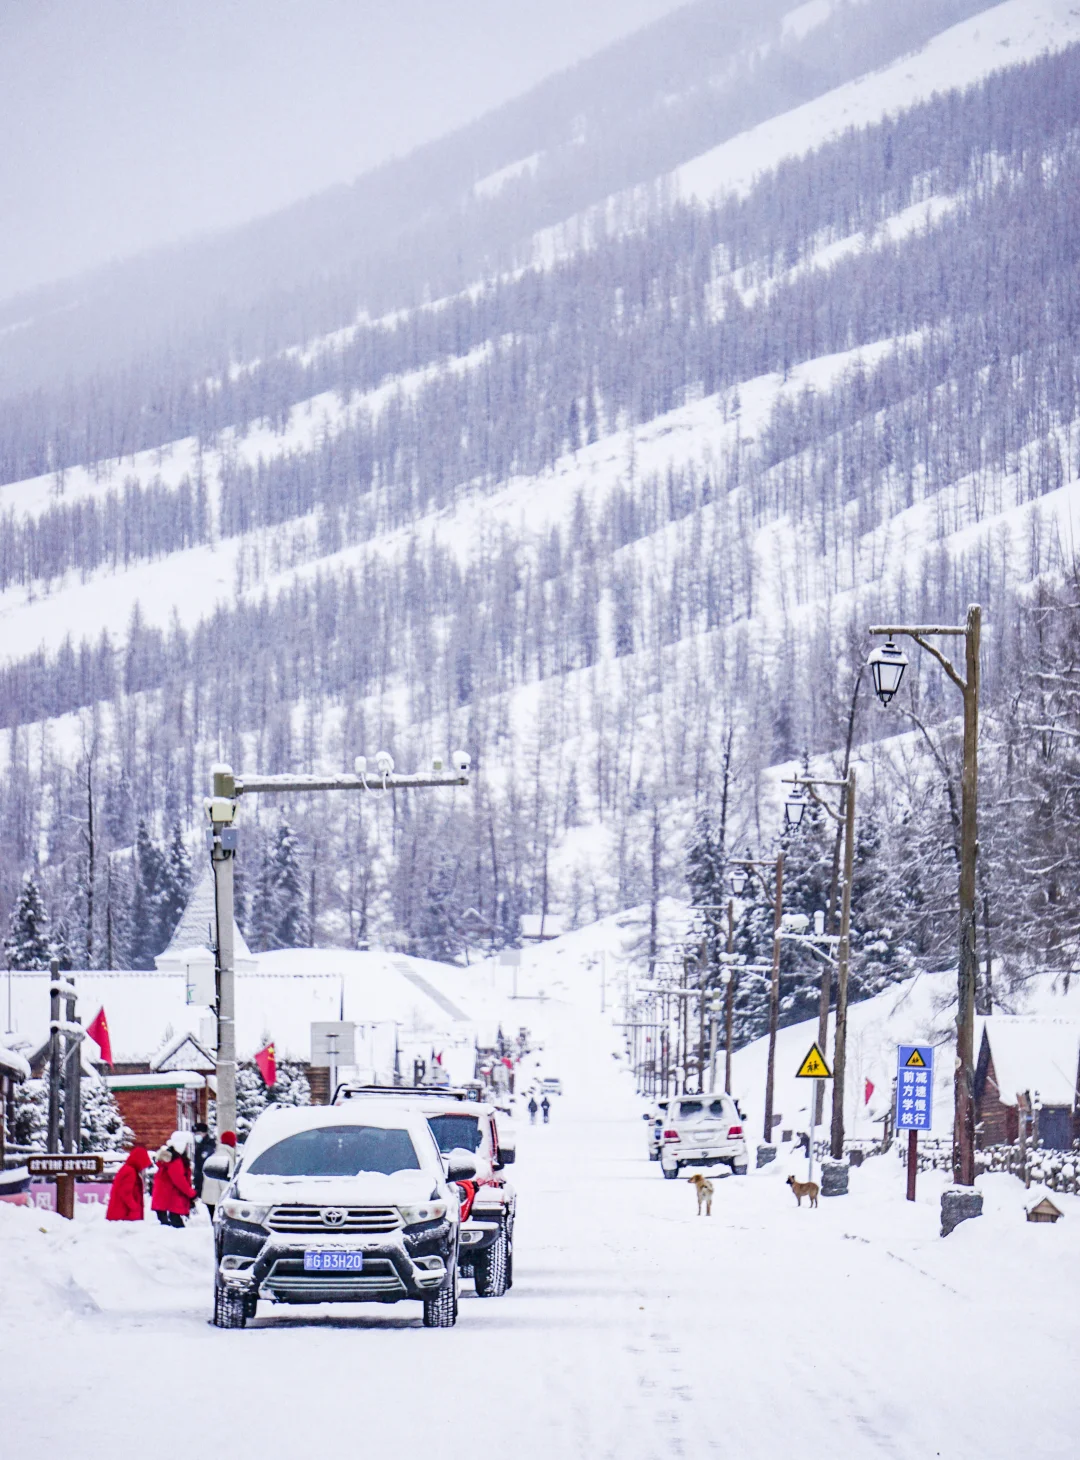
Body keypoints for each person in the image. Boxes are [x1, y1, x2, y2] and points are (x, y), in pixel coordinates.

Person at [151, 1130, 198, 1227]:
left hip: (166, 1200)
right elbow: (179, 1180)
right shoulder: (175, 1160)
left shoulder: (170, 1158)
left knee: (169, 1227)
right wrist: (191, 1194)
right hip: (171, 1199)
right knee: (176, 1227)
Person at [105, 1145, 152, 1221]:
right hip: (125, 1215)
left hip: (123, 1213)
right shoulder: (130, 1172)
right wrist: (135, 1207)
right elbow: (125, 1193)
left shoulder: (128, 1169)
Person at [199, 1130, 238, 1220]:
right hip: (217, 1199)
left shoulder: (215, 1155)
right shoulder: (226, 1158)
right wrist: (228, 1197)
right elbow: (224, 1181)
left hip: (209, 1196)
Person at [193, 1122, 215, 1197]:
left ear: (204, 1133)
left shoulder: (208, 1146)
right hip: (200, 1183)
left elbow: (204, 1166)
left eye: (198, 1133)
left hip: (205, 1184)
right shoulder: (200, 1145)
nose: (196, 1136)